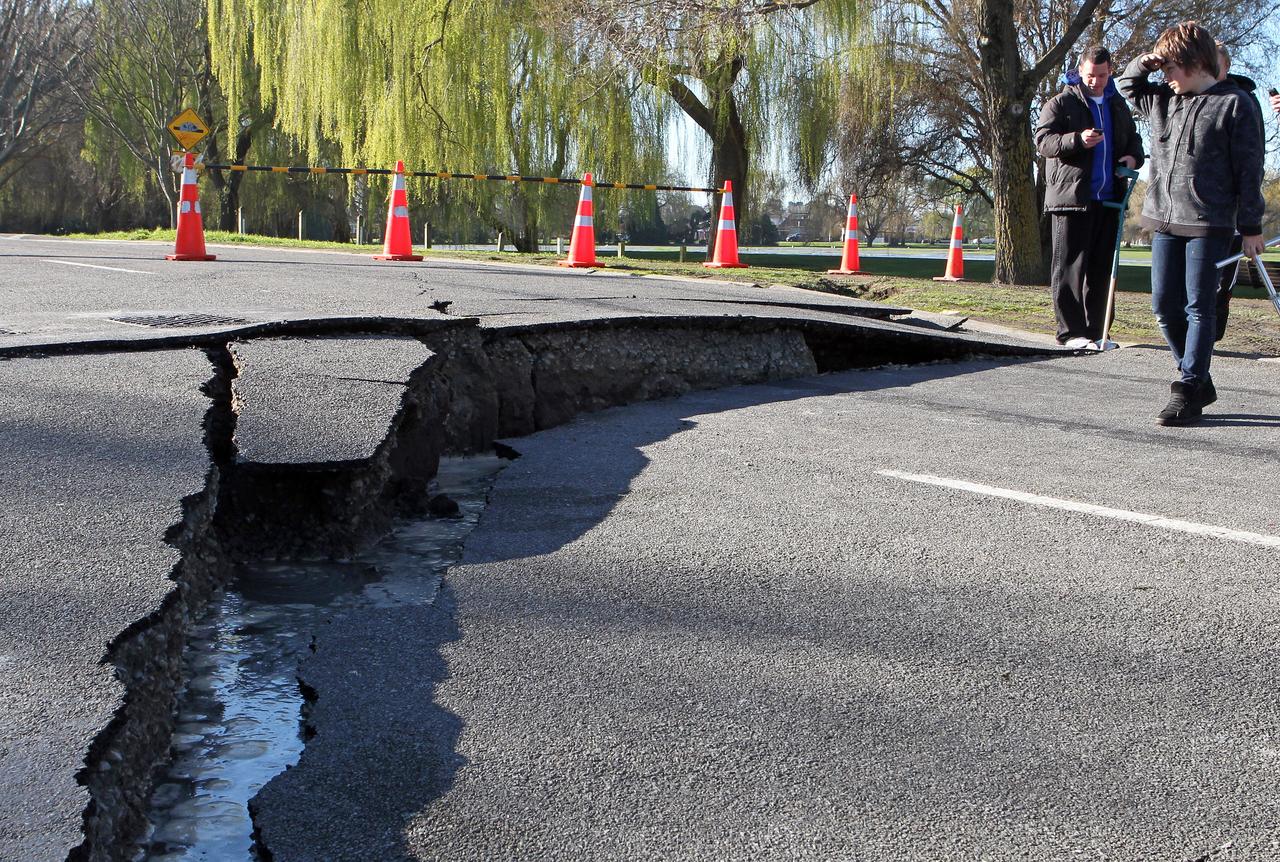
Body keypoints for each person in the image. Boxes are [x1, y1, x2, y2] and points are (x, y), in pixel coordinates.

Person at [1118, 22, 1265, 426]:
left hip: (1210, 221)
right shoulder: (1163, 99)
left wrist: (1250, 226)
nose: (1165, 75)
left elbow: (1250, 168)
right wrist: (1142, 63)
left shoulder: (1235, 104)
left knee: (1200, 307)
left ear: (1193, 62)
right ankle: (1199, 377)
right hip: (1164, 217)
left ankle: (1187, 388)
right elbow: (1127, 87)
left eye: (1170, 67)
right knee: (1164, 307)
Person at [1035, 46, 1144, 350]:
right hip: (1071, 198)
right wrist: (1077, 140)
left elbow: (1134, 140)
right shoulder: (1061, 103)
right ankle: (1070, 333)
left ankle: (1098, 333)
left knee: (1100, 271)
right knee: (1070, 268)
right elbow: (1044, 141)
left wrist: (1133, 159)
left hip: (1109, 199)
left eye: (1102, 75)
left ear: (1110, 72)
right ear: (1080, 72)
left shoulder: (1118, 105)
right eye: (1091, 75)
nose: (1096, 81)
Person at [1212, 43, 1265, 341]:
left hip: (1232, 204)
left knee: (1223, 277)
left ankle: (1213, 329)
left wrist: (1249, 215)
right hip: (1199, 207)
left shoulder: (1244, 101)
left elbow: (1253, 157)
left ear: (1226, 66)